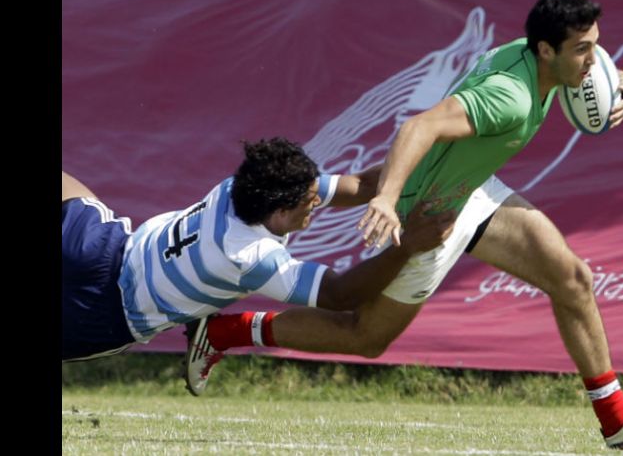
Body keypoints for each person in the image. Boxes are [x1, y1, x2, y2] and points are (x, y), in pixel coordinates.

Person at [184, 0, 623, 450]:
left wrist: (616, 80)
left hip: (472, 194)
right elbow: (419, 125)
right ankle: (226, 331)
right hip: (428, 219)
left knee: (572, 279)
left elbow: (592, 67)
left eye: (594, 46)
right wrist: (386, 200)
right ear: (545, 51)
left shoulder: (541, 55)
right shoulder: (509, 98)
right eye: (583, 50)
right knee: (365, 335)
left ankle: (617, 419)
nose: (593, 59)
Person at [62, 137, 455, 366]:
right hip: (105, 315)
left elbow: (359, 185)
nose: (316, 205)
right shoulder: (248, 256)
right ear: (281, 211)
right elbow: (341, 296)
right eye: (309, 202)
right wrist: (408, 248)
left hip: (103, 248)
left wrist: (427, 162)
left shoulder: (246, 185)